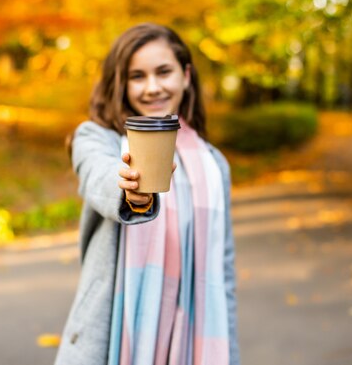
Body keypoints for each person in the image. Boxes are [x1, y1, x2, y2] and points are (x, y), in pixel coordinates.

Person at [55, 23, 239, 365]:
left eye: (164, 72)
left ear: (185, 75)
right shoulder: (97, 139)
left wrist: (230, 355)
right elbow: (98, 173)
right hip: (110, 342)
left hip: (195, 343)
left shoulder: (215, 165)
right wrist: (130, 191)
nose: (152, 88)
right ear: (121, 84)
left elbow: (223, 278)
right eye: (137, 76)